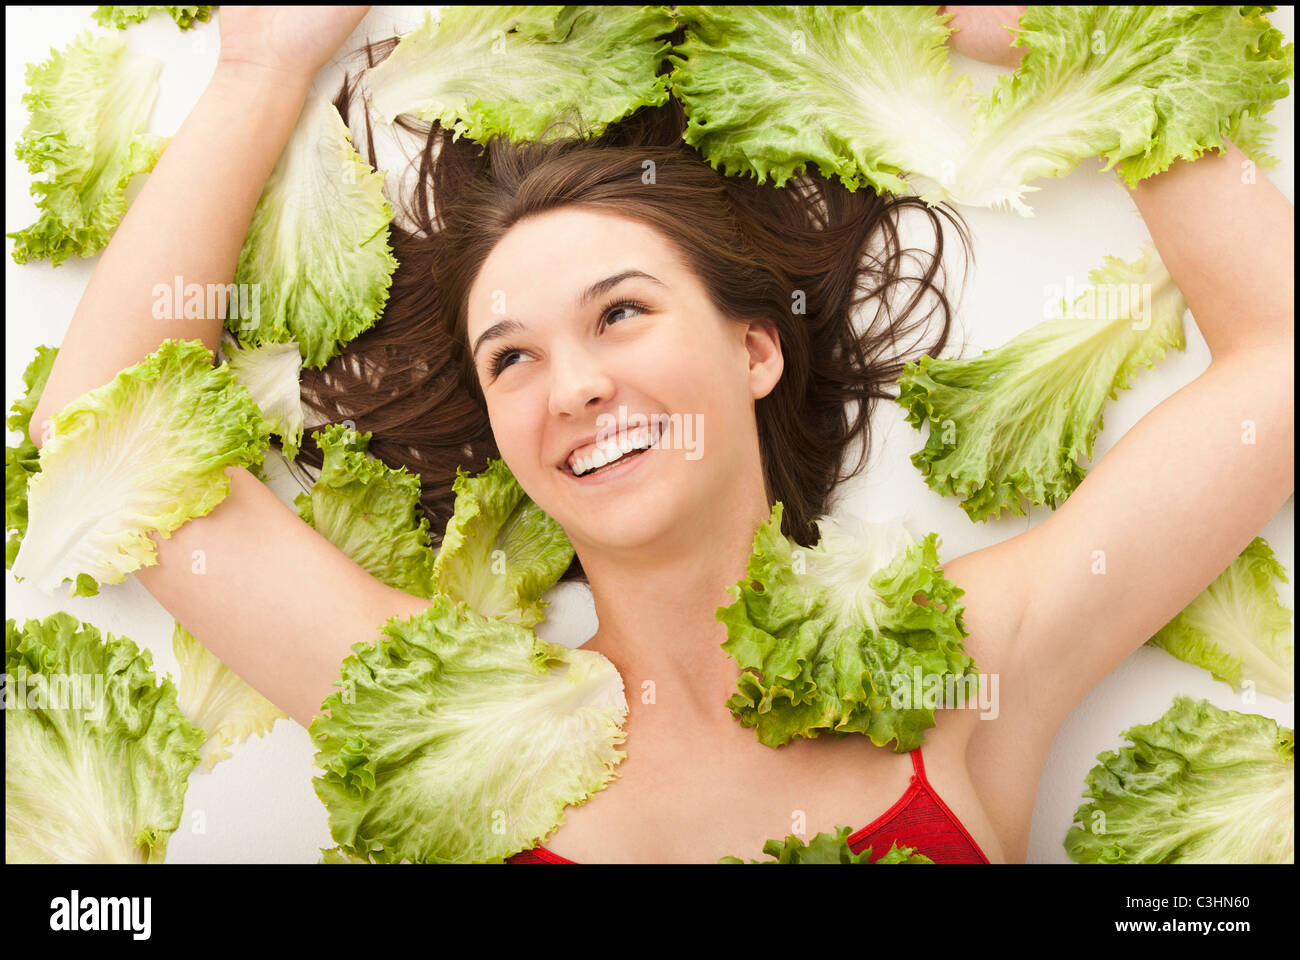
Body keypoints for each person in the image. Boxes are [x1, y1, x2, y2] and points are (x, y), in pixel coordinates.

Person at [26, 6, 1294, 864]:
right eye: (509, 356)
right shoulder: (443, 709)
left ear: (756, 348)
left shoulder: (962, 665)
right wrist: (257, 75)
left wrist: (1064, 39)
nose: (568, 385)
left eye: (620, 314)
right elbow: (113, 452)